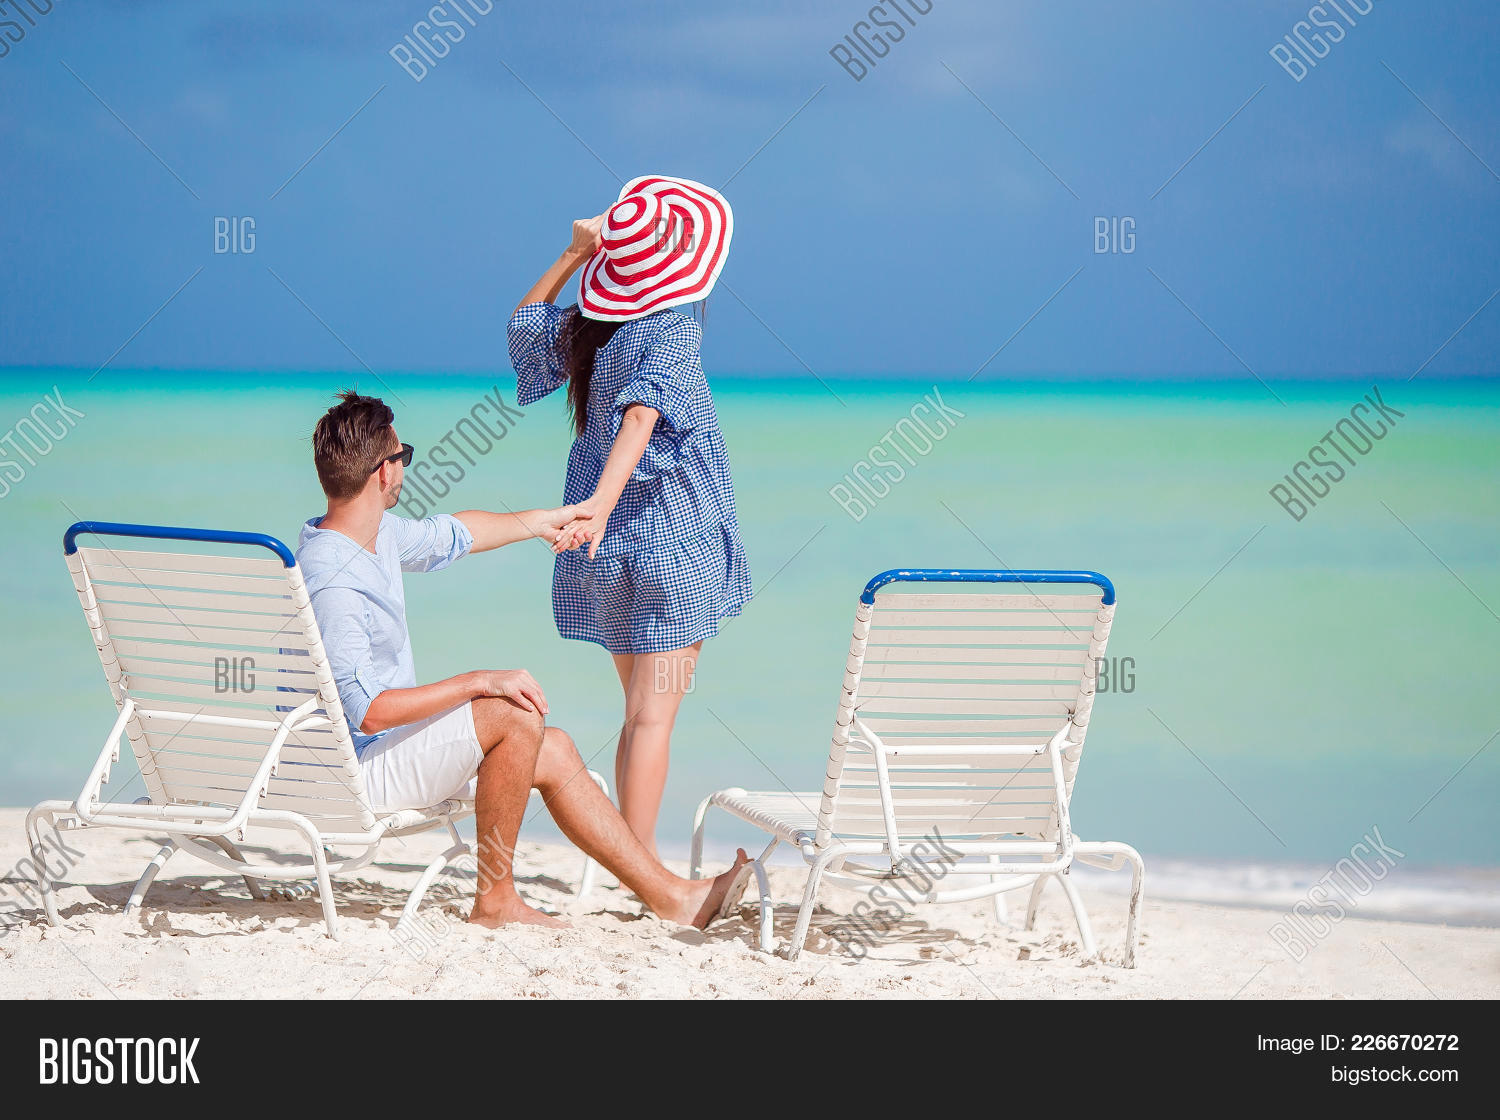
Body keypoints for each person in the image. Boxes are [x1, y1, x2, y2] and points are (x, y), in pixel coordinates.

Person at [296, 390, 748, 930]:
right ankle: (495, 901)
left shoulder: (368, 536)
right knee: (510, 712)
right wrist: (479, 681)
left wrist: (546, 521)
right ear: (383, 472)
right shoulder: (336, 581)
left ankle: (675, 898)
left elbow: (457, 533)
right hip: (350, 775)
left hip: (368, 755)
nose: (405, 468)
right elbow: (369, 712)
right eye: (403, 455)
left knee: (552, 747)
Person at [507, 175, 751, 859]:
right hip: (673, 543)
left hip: (608, 552)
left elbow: (524, 330)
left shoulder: (591, 330)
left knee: (637, 714)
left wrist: (571, 254)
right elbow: (642, 416)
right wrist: (601, 506)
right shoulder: (672, 328)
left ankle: (631, 860)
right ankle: (642, 870)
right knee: (652, 720)